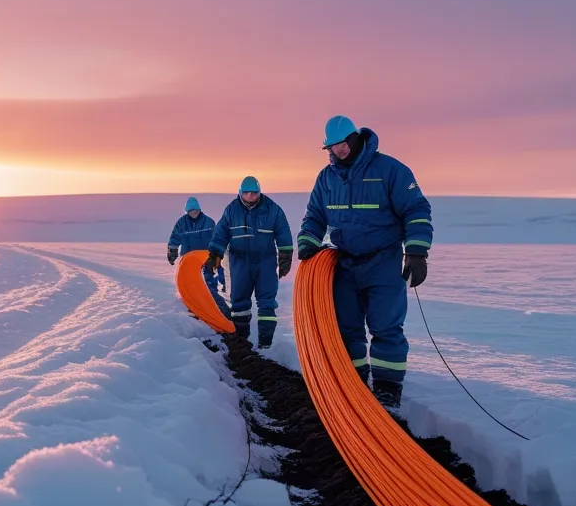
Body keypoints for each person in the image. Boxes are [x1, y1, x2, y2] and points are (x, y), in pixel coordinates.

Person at [296, 115, 433, 410]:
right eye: (332, 147)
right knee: (347, 328)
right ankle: (354, 382)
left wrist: (417, 251)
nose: (338, 151)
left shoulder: (389, 170)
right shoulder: (327, 178)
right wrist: (307, 241)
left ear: (355, 139)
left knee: (385, 326)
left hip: (383, 261)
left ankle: (387, 388)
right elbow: (315, 216)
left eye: (343, 145)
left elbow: (416, 210)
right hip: (345, 264)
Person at [205, 177, 294, 349]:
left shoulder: (273, 209)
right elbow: (221, 233)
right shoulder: (231, 210)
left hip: (265, 261)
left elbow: (283, 231)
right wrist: (215, 254)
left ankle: (265, 343)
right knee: (239, 302)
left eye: (254, 193)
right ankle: (241, 341)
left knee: (267, 301)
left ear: (259, 193)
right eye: (246, 193)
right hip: (240, 262)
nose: (250, 196)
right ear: (240, 193)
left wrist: (285, 255)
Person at [168, 197, 228, 315]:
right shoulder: (182, 223)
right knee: (192, 284)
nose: (194, 213)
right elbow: (175, 237)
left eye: (196, 210)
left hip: (207, 258)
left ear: (199, 210)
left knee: (210, 282)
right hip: (189, 260)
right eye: (191, 211)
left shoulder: (209, 222)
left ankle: (217, 308)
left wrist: (216, 254)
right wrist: (172, 251)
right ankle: (194, 306)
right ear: (187, 211)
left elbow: (216, 238)